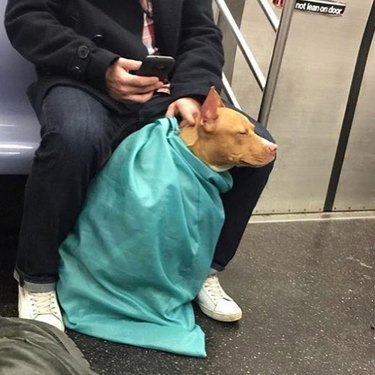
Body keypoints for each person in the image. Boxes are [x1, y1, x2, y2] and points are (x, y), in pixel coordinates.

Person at [4, 0, 275, 332]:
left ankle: (204, 268)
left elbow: (200, 32)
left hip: (167, 90)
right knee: (74, 139)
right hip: (83, 79)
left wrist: (190, 90)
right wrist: (97, 64)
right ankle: (37, 278)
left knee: (256, 151)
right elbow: (26, 19)